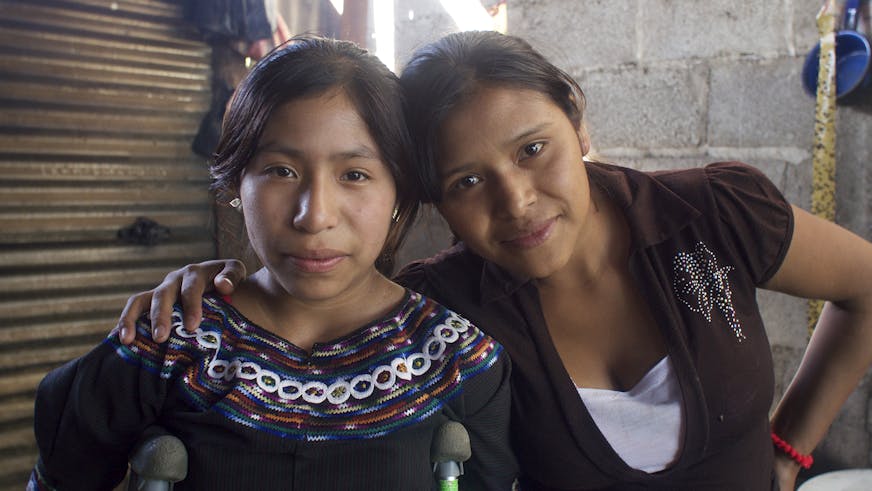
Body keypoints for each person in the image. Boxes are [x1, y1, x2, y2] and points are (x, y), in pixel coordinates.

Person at [118, 31, 872, 490]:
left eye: (533, 150)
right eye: (467, 182)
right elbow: (304, 301)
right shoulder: (438, 313)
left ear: (575, 120)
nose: (517, 203)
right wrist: (215, 289)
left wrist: (788, 445)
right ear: (434, 201)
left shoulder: (709, 216)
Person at [29, 35, 517, 491]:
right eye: (280, 171)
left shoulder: (456, 361)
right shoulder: (168, 343)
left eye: (354, 174)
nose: (314, 216)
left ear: (399, 191)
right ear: (237, 185)